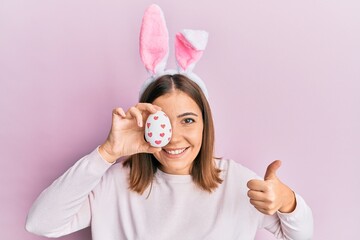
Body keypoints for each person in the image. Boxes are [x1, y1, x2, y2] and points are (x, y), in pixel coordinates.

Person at [26, 5, 313, 239]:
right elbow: (41, 223)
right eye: (162, 121)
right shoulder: (113, 185)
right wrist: (106, 154)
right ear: (145, 124)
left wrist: (287, 201)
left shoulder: (237, 182)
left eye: (187, 120)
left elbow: (299, 236)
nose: (174, 137)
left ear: (205, 124)